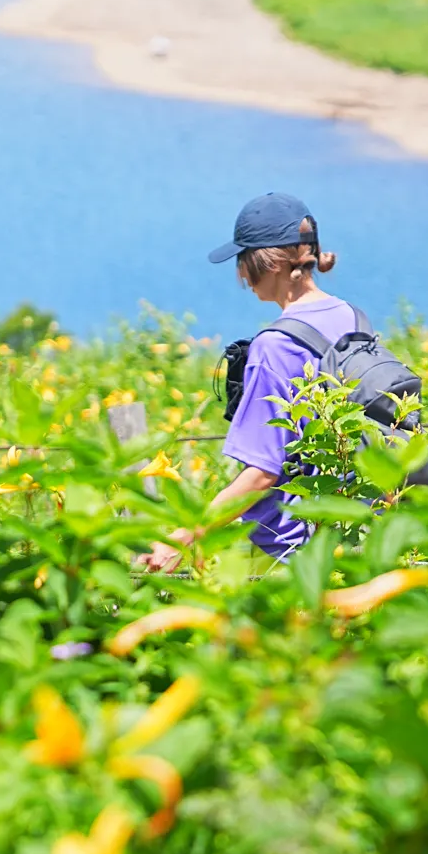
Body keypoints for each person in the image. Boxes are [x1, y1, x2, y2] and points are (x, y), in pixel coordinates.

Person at [140, 189, 359, 571]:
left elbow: (261, 473)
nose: (241, 273)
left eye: (243, 260)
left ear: (268, 263)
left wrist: (187, 536)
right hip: (352, 537)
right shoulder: (352, 318)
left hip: (290, 554)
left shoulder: (276, 347)